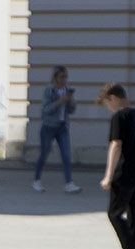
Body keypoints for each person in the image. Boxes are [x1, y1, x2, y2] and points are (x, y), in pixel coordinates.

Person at [97, 83, 135, 249]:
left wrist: (108, 176)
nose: (108, 108)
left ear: (112, 98)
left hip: (124, 172)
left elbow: (116, 146)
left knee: (114, 213)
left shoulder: (118, 117)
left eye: (106, 104)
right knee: (134, 215)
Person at [32, 66, 81, 194]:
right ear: (55, 78)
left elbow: (72, 110)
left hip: (62, 127)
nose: (64, 79)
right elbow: (46, 109)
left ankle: (69, 183)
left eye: (65, 77)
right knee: (44, 153)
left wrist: (70, 100)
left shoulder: (66, 91)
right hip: (48, 127)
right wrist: (60, 101)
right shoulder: (49, 90)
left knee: (66, 155)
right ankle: (36, 180)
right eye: (61, 77)